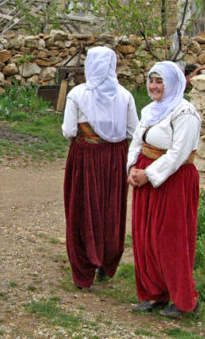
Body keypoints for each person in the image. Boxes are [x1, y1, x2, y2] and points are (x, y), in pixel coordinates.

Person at [127, 61, 201, 318]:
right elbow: (137, 140)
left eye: (160, 82)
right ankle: (154, 293)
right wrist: (131, 169)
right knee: (145, 238)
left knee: (170, 239)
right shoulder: (149, 110)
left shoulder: (185, 113)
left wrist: (148, 174)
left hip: (174, 180)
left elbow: (179, 153)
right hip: (145, 178)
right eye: (152, 81)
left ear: (172, 83)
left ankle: (184, 300)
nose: (155, 86)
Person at [62, 46, 139, 290]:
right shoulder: (125, 95)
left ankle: (86, 263)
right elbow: (132, 132)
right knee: (110, 207)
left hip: (86, 155)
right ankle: (105, 261)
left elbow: (69, 131)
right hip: (115, 157)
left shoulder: (77, 94)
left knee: (84, 207)